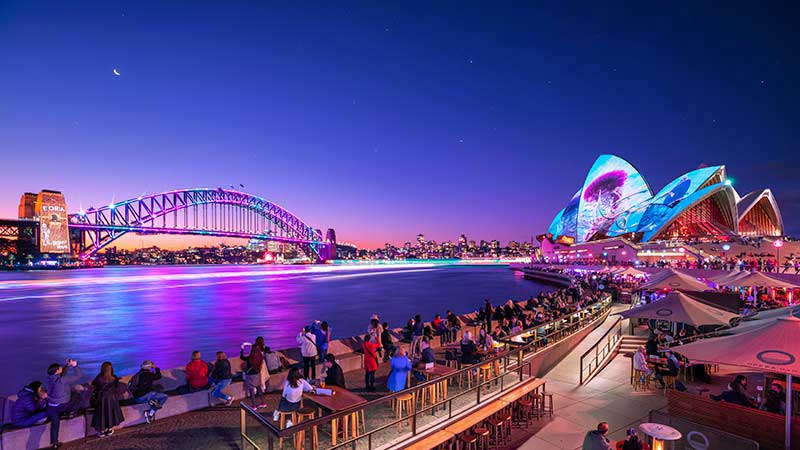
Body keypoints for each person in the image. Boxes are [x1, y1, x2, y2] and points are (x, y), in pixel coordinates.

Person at [45, 359, 83, 447]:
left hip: (51, 406)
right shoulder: (63, 380)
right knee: (77, 395)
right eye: (59, 367)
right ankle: (71, 412)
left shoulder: (49, 379)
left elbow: (61, 374)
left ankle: (55, 443)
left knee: (55, 424)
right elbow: (79, 375)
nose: (61, 367)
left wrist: (67, 366)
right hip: (62, 405)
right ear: (57, 371)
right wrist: (75, 365)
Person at [90, 362, 125, 437]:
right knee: (110, 413)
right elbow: (116, 386)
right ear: (111, 369)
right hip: (112, 398)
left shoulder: (99, 378)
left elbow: (94, 384)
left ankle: (102, 431)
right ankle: (109, 429)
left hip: (102, 398)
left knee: (102, 414)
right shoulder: (114, 378)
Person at [241, 340, 267, 408]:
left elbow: (242, 357)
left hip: (250, 375)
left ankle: (254, 405)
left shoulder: (249, 358)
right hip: (257, 374)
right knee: (259, 388)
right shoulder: (260, 357)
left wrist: (242, 348)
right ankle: (263, 402)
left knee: (251, 390)